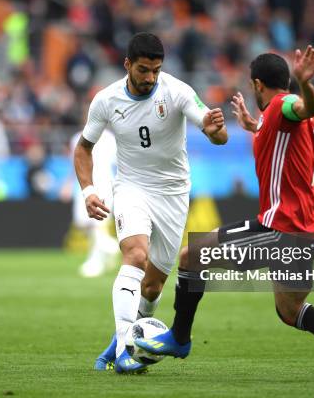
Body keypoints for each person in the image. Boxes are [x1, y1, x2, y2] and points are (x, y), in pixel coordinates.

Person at [135, 46, 314, 382]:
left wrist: (305, 84)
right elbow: (287, 135)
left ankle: (179, 339)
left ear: (258, 84)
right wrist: (254, 126)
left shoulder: (284, 105)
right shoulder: (273, 119)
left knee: (190, 256)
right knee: (291, 311)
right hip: (307, 231)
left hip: (279, 228)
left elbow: (306, 107)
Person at [74, 32, 228, 374]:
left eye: (156, 70)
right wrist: (88, 191)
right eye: (144, 70)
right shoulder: (106, 100)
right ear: (127, 64)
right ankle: (127, 348)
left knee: (154, 285)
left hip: (173, 194)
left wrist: (216, 129)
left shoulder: (178, 91)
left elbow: (216, 134)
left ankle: (117, 346)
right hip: (131, 187)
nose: (150, 78)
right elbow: (83, 148)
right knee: (135, 256)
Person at [69, 129, 119, 278]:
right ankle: (109, 245)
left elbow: (118, 162)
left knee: (98, 223)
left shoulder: (110, 138)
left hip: (104, 183)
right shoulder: (77, 137)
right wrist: (67, 184)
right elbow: (75, 163)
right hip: (83, 185)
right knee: (82, 224)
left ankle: (95, 261)